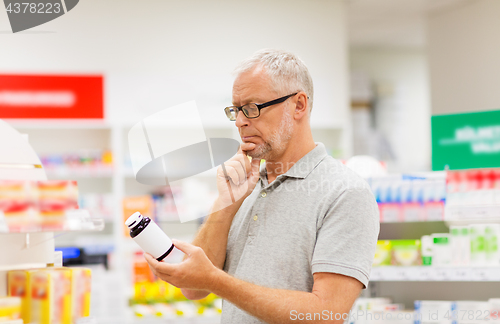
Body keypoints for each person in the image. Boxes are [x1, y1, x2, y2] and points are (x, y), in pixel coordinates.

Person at [144, 49, 380, 324]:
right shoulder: (245, 185)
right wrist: (225, 204)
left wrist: (217, 281)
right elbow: (194, 288)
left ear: (299, 105)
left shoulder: (345, 193)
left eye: (253, 108)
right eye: (236, 110)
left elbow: (327, 314)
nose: (242, 121)